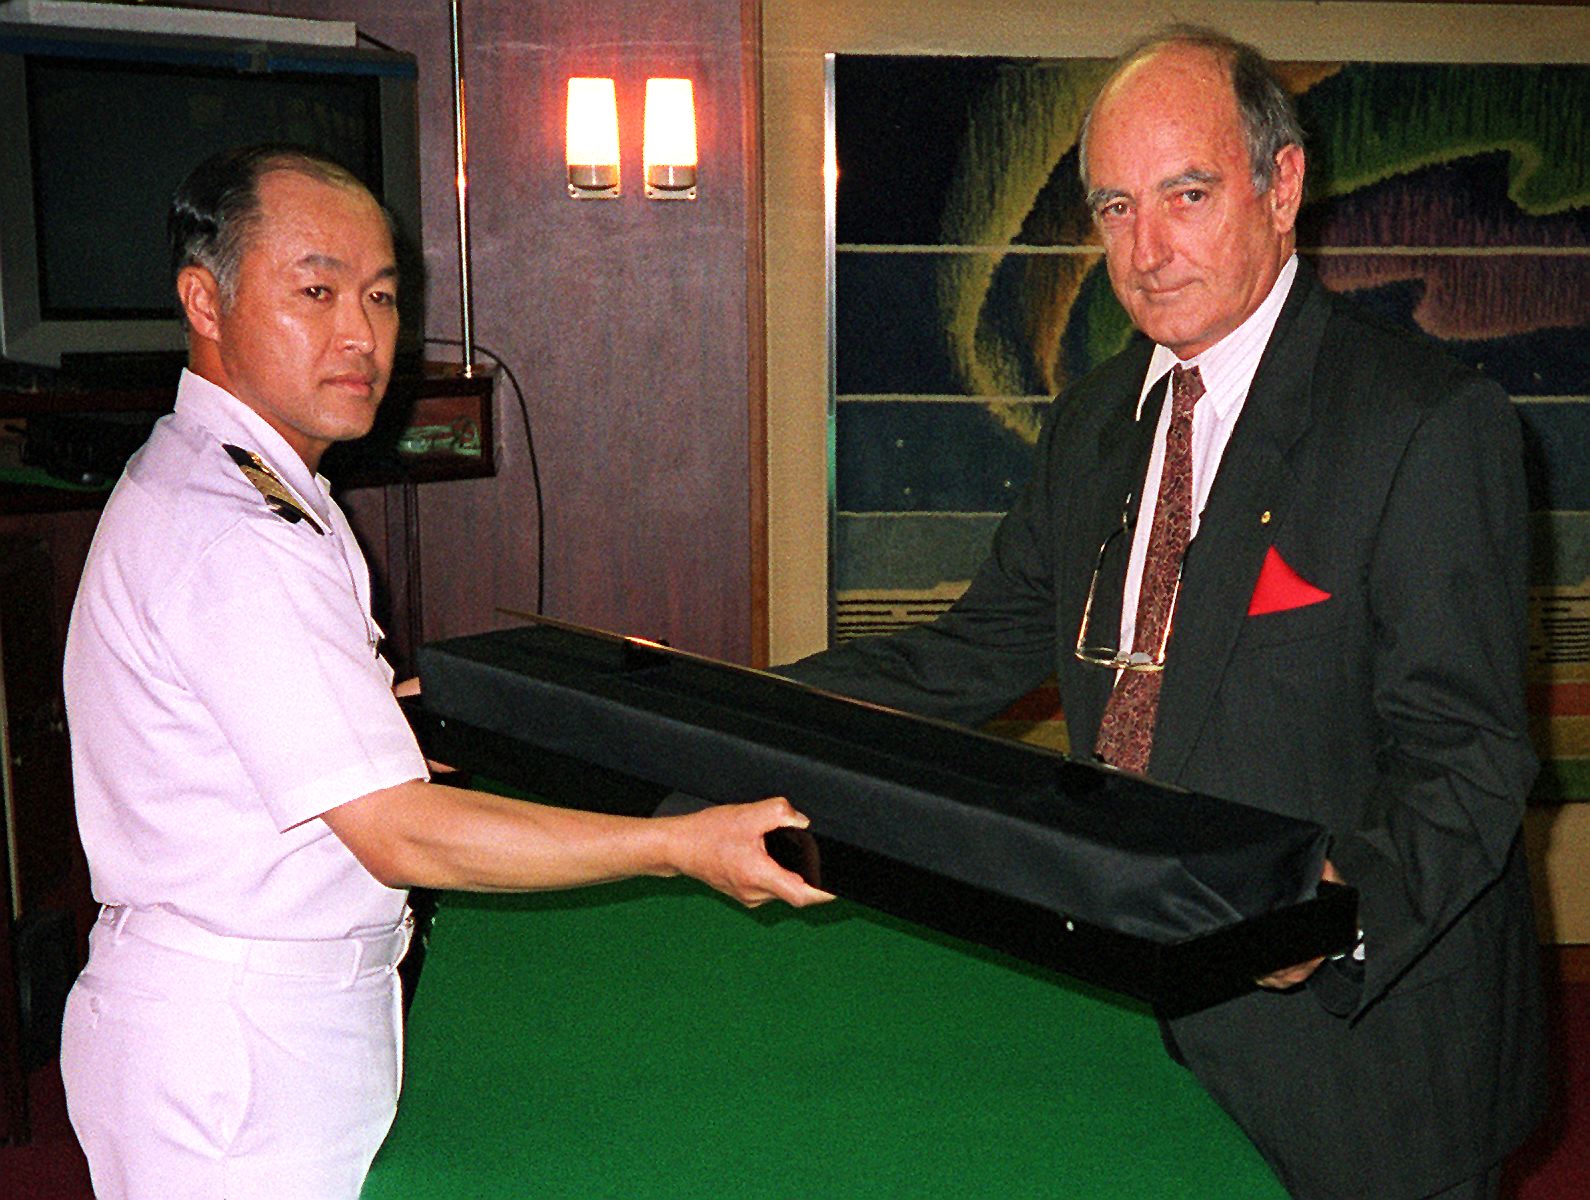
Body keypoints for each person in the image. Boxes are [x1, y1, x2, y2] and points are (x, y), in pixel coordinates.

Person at [781, 27, 1545, 1200]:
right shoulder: (1093, 418)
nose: (1146, 250)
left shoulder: (1427, 426)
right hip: (1135, 1033)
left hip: (1363, 1066)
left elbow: (1468, 757)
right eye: (1115, 208)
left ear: (1282, 186)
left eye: (1187, 194)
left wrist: (1322, 917)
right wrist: (736, 713)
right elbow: (967, 656)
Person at [59, 144, 830, 1200]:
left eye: (381, 297)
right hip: (236, 1045)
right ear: (205, 298)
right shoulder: (234, 527)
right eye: (315, 291)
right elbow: (400, 830)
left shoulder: (257, 486)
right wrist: (676, 846)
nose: (360, 335)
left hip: (264, 1018)